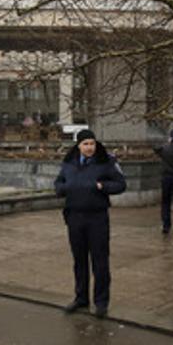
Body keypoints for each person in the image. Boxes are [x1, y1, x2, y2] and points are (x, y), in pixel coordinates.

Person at [55, 128, 126, 318]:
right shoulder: (69, 162)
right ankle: (81, 298)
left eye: (92, 143)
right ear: (78, 145)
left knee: (100, 261)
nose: (89, 147)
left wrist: (103, 186)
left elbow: (121, 184)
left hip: (97, 218)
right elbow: (58, 184)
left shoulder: (106, 161)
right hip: (75, 217)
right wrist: (64, 188)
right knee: (79, 261)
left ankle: (101, 301)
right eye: (85, 144)